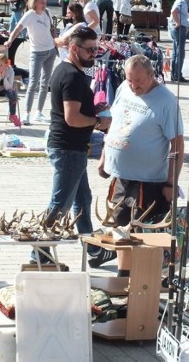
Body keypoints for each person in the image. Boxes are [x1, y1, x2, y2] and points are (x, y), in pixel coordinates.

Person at [97, 55, 185, 273]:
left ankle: (146, 280)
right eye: (130, 80)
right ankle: (123, 274)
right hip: (120, 176)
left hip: (149, 181)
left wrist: (171, 182)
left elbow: (177, 145)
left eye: (139, 81)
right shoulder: (123, 89)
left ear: (152, 75)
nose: (134, 86)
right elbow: (114, 125)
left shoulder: (166, 101)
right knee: (119, 227)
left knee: (142, 232)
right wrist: (104, 156)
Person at [42, 27, 111, 264]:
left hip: (73, 148)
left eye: (96, 49)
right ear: (74, 48)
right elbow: (72, 118)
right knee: (60, 203)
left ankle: (91, 249)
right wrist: (99, 122)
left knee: (82, 199)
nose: (94, 54)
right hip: (68, 148)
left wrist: (93, 110)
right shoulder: (70, 75)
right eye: (90, 50)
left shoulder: (68, 71)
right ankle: (39, 252)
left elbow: (74, 110)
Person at [5, 0, 56, 126]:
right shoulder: (30, 15)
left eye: (45, 2)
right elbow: (18, 28)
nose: (44, 4)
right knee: (33, 82)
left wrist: (55, 41)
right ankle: (27, 113)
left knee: (45, 83)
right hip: (37, 52)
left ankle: (39, 112)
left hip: (50, 50)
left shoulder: (47, 12)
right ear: (35, 3)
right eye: (41, 2)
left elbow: (52, 28)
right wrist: (10, 40)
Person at [169, 0, 189, 82]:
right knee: (180, 53)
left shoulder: (182, 1)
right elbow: (173, 11)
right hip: (179, 29)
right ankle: (177, 75)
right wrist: (178, 23)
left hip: (178, 28)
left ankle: (175, 75)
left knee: (176, 52)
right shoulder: (181, 1)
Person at [0, 53, 21, 127]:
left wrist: (4, 78)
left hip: (4, 90)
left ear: (6, 65)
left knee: (12, 92)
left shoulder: (10, 71)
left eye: (1, 65)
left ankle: (12, 115)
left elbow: (9, 87)